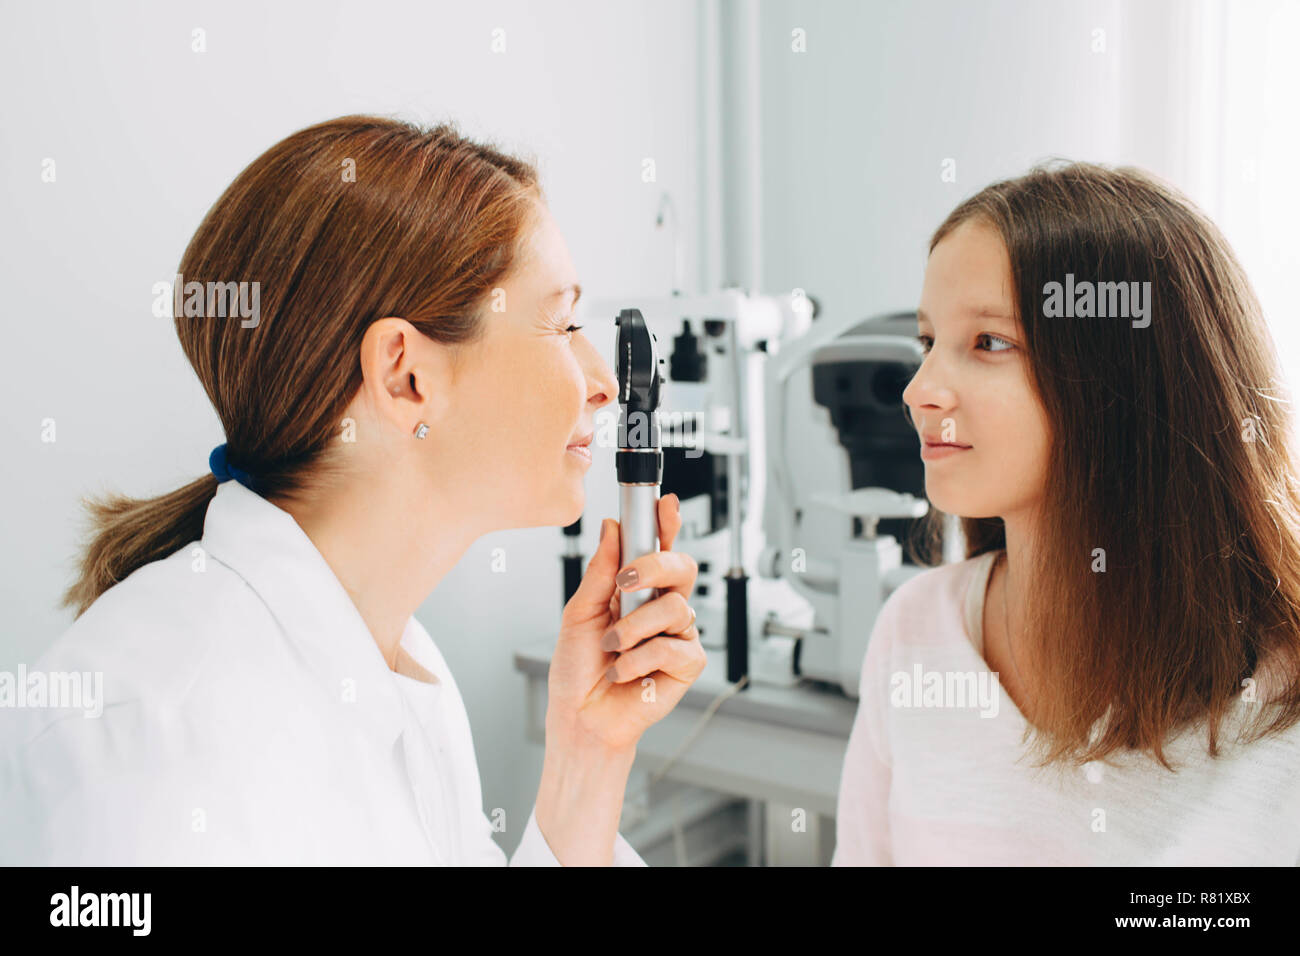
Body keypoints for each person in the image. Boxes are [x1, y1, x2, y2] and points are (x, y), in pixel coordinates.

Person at [0, 115, 705, 866]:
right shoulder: (152, 757)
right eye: (562, 325)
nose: (602, 384)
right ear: (406, 377)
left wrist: (588, 753)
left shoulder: (395, 660)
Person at [833, 162, 1300, 865]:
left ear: (1127, 380)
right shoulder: (913, 631)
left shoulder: (1280, 707)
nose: (919, 390)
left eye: (988, 343)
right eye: (928, 343)